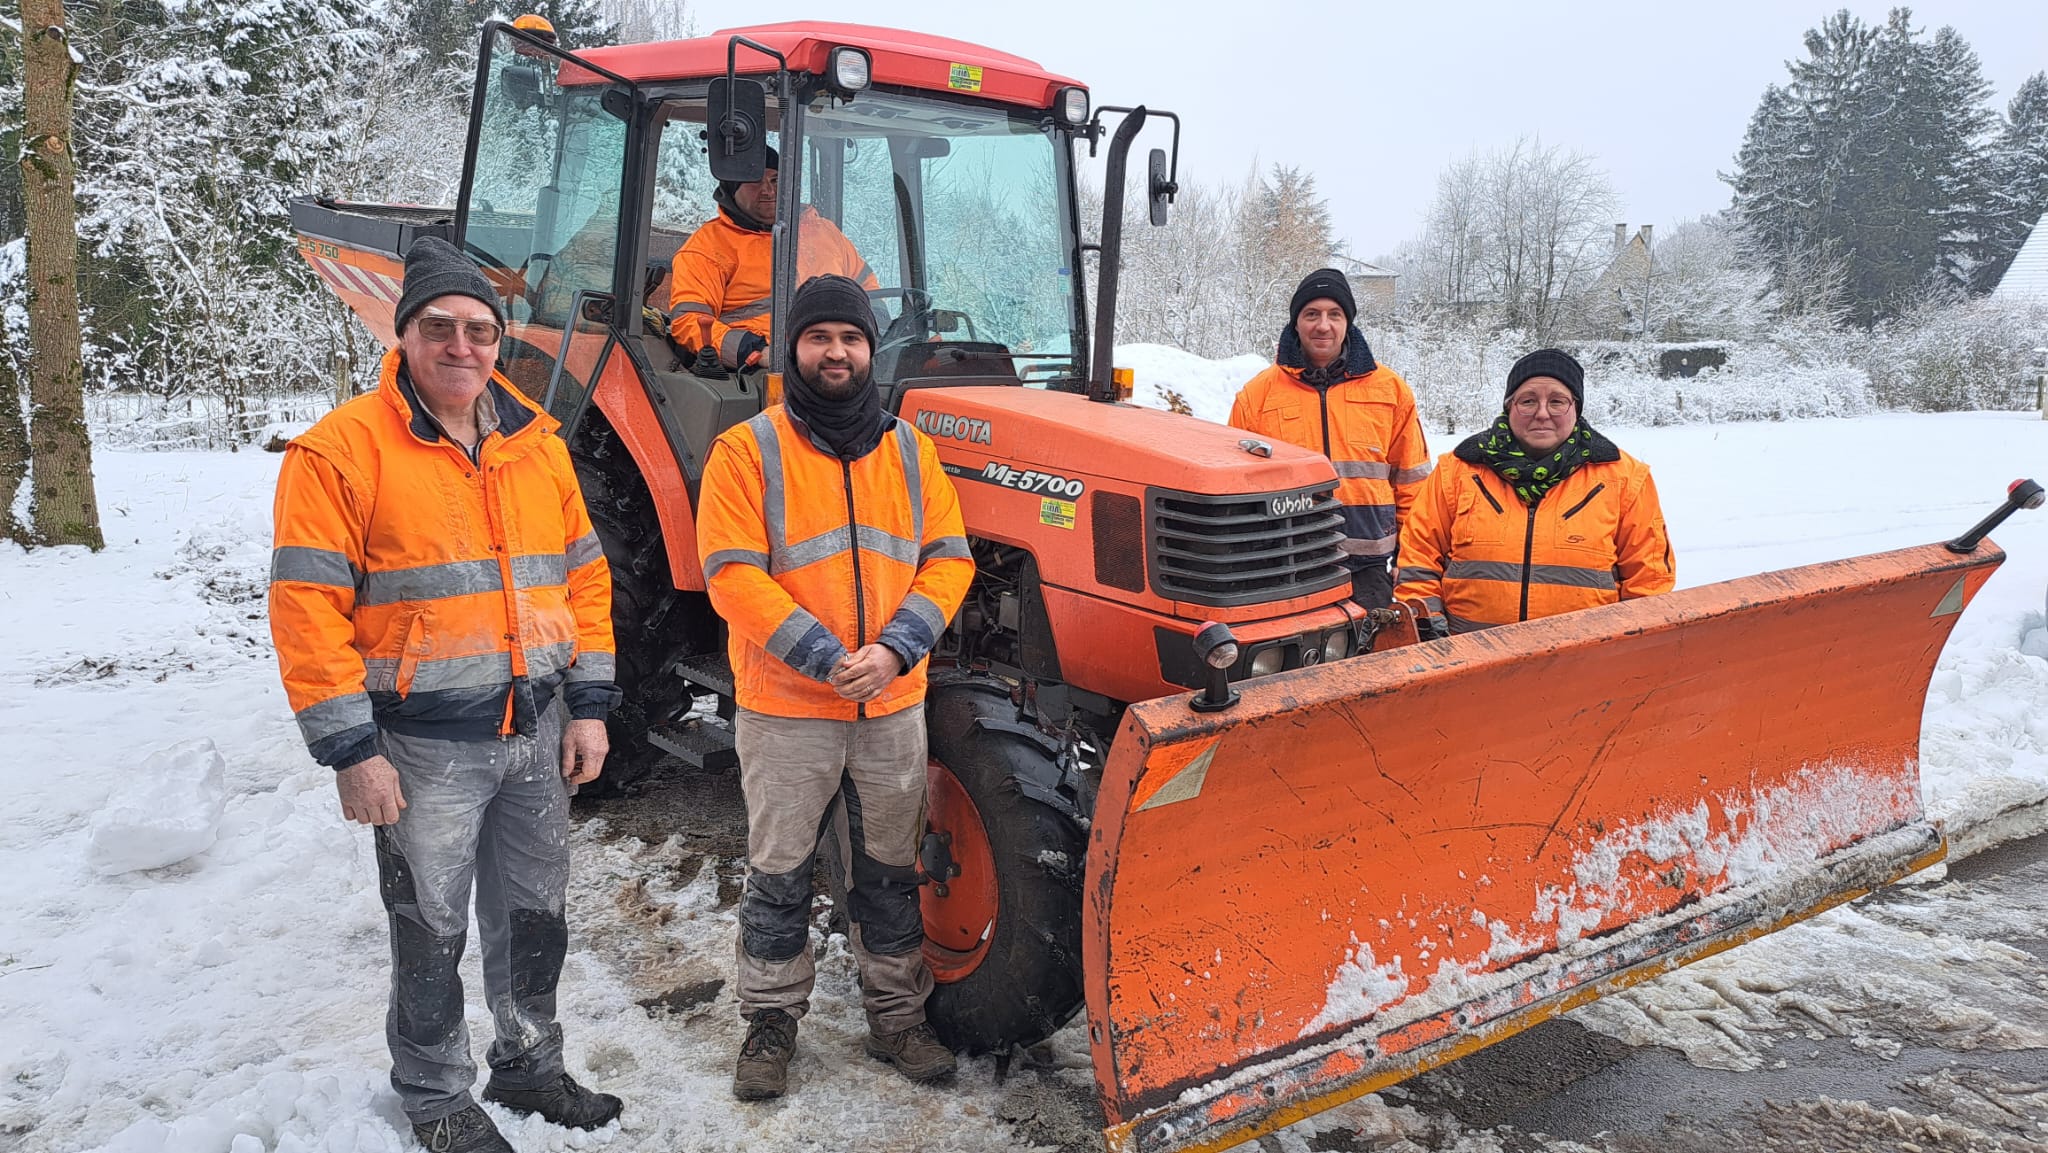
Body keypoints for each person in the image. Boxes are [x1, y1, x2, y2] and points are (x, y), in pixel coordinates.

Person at [268, 236, 624, 1153]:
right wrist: (352, 751)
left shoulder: (536, 446)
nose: (461, 346)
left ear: (499, 340)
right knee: (429, 927)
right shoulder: (340, 452)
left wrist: (589, 704)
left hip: (536, 729)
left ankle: (530, 1060)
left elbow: (585, 580)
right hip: (422, 744)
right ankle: (434, 1096)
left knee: (535, 916)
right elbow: (306, 608)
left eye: (479, 329)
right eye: (439, 327)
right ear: (405, 334)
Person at [695, 274, 974, 1101]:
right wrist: (823, 656)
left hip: (889, 705)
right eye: (819, 336)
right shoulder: (747, 450)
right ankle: (770, 1021)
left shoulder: (911, 450)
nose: (836, 351)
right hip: (788, 709)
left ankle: (897, 1018)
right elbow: (731, 573)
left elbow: (950, 558)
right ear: (794, 348)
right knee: (779, 873)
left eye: (850, 337)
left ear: (869, 349)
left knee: (889, 872)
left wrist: (895, 650)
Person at [1394, 348, 1675, 635]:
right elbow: (1418, 560)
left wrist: (1625, 649)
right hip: (1466, 656)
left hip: (1587, 659)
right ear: (1509, 406)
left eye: (1557, 401)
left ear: (1576, 408)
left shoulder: (1625, 478)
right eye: (1528, 401)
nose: (1542, 413)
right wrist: (1431, 633)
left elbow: (1649, 582)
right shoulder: (1457, 471)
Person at [1228, 269, 1431, 608]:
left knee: (1371, 643)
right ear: (1296, 323)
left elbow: (1413, 483)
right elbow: (1237, 490)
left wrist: (1410, 559)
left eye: (1334, 314)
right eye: (1312, 314)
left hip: (1368, 568)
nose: (1323, 325)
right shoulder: (1257, 396)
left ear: (1347, 322)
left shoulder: (1390, 390)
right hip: (1286, 566)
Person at [667, 146, 881, 369]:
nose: (768, 191)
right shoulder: (708, 247)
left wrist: (879, 332)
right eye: (754, 182)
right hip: (756, 369)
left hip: (836, 360)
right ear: (732, 188)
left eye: (775, 180)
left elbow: (869, 289)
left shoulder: (826, 233)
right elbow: (688, 320)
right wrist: (755, 352)